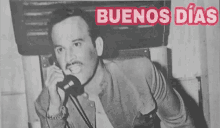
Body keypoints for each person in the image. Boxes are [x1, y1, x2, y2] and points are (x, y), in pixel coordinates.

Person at [35, 7, 195, 128]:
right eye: (60, 49)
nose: (68, 58)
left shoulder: (141, 72)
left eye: (76, 44)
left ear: (97, 46)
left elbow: (181, 123)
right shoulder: (47, 102)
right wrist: (55, 111)